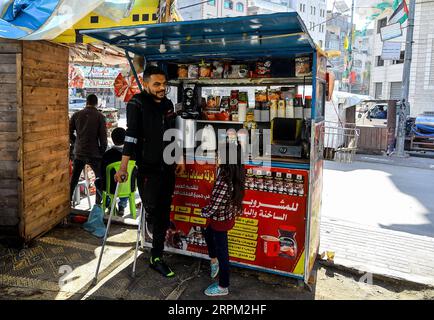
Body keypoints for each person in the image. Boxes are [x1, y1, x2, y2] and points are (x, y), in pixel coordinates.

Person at [114, 66, 185, 278]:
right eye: (157, 84)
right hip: (147, 168)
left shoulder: (168, 104)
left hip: (168, 166)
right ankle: (155, 234)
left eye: (164, 84)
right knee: (154, 210)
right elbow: (131, 135)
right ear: (145, 84)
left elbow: (173, 132)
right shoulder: (136, 104)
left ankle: (156, 257)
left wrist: (179, 157)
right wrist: (123, 166)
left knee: (164, 210)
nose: (162, 88)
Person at [201, 142, 245, 296]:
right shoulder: (235, 174)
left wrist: (202, 212)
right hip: (225, 217)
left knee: (223, 253)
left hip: (220, 220)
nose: (217, 157)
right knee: (207, 232)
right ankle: (214, 261)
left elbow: (213, 207)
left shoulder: (223, 180)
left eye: (219, 155)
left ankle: (223, 286)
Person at [70, 94, 107, 205]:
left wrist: (75, 141)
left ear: (86, 102)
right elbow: (103, 137)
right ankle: (98, 204)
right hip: (94, 153)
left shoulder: (76, 115)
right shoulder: (100, 116)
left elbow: (68, 132)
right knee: (99, 178)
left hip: (79, 151)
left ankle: (67, 201)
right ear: (96, 103)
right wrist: (102, 151)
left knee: (74, 179)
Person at [101, 127, 134, 215]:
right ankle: (122, 206)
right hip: (129, 187)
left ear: (112, 139)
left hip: (110, 187)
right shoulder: (131, 155)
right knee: (126, 181)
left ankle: (109, 204)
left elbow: (102, 173)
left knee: (99, 182)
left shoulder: (107, 155)